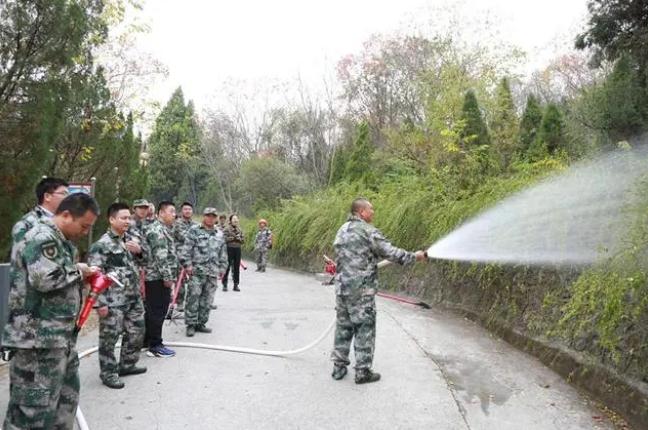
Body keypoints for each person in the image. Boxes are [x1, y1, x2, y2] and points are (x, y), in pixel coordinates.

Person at [2, 193, 99, 429]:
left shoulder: (60, 239)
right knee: (31, 414)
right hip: (37, 343)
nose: (85, 232)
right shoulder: (41, 236)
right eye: (84, 226)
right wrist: (80, 272)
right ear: (66, 215)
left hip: (58, 340)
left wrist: (77, 273)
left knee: (64, 405)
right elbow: (45, 279)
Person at [330, 198, 427, 384]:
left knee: (343, 327)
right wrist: (415, 256)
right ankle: (362, 372)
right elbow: (391, 253)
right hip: (361, 290)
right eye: (371, 209)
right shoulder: (368, 231)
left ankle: (338, 368)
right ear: (361, 212)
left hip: (342, 289)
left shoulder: (342, 230)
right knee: (364, 328)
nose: (373, 212)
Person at [88, 203, 147, 389]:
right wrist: (100, 303)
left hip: (133, 297)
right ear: (111, 219)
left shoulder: (130, 240)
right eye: (123, 218)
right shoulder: (102, 244)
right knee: (109, 339)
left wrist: (139, 251)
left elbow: (146, 260)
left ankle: (127, 365)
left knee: (136, 331)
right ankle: (108, 372)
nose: (127, 221)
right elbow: (94, 276)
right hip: (113, 301)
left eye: (129, 218)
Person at [180, 208, 227, 337]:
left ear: (216, 218)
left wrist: (223, 269)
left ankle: (201, 323)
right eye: (208, 216)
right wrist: (188, 265)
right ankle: (190, 324)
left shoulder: (219, 234)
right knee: (193, 298)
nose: (211, 218)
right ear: (204, 216)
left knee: (208, 300)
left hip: (212, 272)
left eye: (213, 216)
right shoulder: (194, 231)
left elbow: (223, 253)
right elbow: (186, 250)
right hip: (197, 271)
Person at [143, 201, 178, 358]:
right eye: (171, 211)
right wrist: (168, 277)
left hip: (157, 277)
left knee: (153, 310)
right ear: (161, 213)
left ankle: (147, 341)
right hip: (157, 277)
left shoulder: (164, 229)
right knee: (158, 310)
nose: (174, 214)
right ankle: (155, 345)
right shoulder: (157, 230)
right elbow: (161, 257)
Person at [11, 177, 69, 244]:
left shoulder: (65, 221)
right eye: (64, 194)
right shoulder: (28, 223)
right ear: (47, 196)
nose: (68, 198)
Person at [172, 202, 198, 310]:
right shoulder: (177, 224)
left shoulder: (196, 225)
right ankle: (180, 302)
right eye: (185, 209)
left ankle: (194, 301)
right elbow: (184, 237)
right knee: (180, 279)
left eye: (189, 209)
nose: (187, 211)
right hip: (181, 254)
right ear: (182, 211)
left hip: (194, 255)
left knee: (195, 278)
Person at [222, 214, 244, 292]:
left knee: (236, 267)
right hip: (229, 248)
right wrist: (231, 238)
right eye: (234, 219)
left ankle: (236, 284)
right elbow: (223, 238)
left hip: (237, 249)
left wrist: (239, 238)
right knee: (227, 266)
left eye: (237, 219)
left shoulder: (240, 230)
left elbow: (243, 240)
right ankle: (224, 284)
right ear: (230, 220)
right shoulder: (226, 229)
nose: (235, 220)